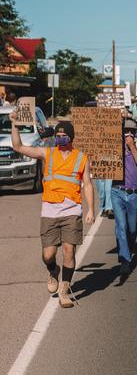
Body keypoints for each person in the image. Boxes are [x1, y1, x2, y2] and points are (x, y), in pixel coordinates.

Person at [11, 115, 94, 308]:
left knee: (69, 251)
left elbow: (88, 184)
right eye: (58, 134)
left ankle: (65, 290)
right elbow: (19, 147)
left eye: (64, 134)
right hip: (50, 210)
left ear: (71, 137)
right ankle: (53, 270)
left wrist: (91, 209)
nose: (60, 137)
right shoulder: (47, 153)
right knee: (48, 254)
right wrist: (15, 125)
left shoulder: (81, 157)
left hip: (72, 210)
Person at [112, 118, 137, 276]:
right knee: (121, 226)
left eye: (131, 132)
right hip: (117, 191)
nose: (128, 134)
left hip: (133, 193)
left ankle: (127, 247)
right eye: (125, 131)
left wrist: (132, 147)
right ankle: (125, 260)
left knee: (132, 229)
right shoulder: (114, 148)